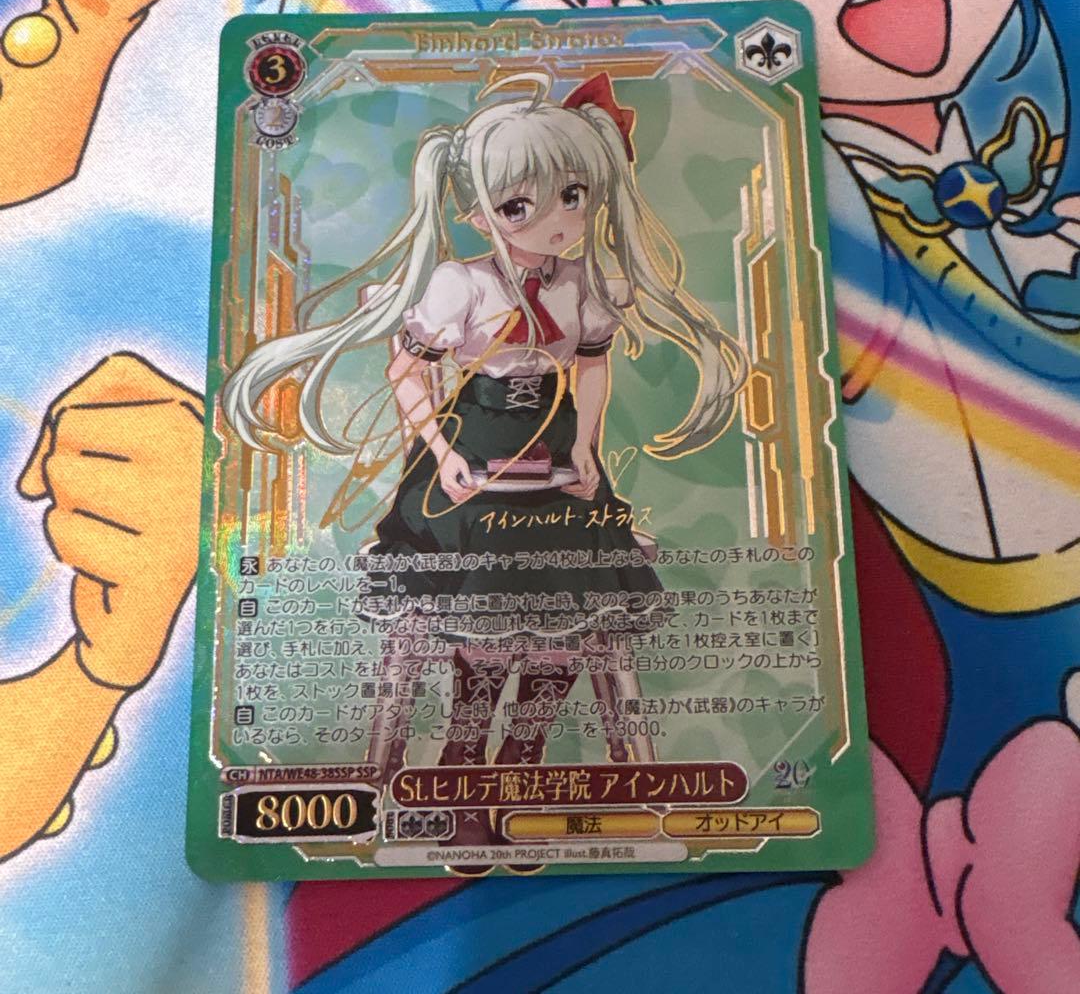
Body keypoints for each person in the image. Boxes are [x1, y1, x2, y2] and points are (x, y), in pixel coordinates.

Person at [223, 69, 747, 866]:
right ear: (476, 212)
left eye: (574, 197)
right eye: (520, 207)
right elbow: (407, 372)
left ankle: (523, 764)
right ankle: (465, 766)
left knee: (574, 605)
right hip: (467, 460)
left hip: (558, 459)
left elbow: (594, 368)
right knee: (494, 593)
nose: (557, 221)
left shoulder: (583, 285)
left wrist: (584, 449)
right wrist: (441, 457)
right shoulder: (459, 284)